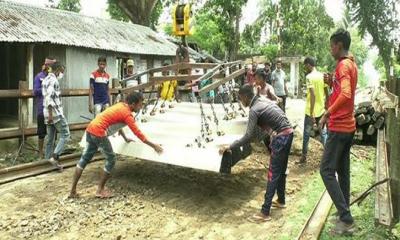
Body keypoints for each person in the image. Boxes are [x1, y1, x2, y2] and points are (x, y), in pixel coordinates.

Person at [219, 84, 293, 223]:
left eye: (240, 99)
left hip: (281, 136)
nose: (241, 102)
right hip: (288, 132)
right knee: (281, 170)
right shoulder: (262, 100)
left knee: (273, 173)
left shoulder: (254, 109)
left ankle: (265, 212)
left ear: (246, 96)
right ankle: (281, 200)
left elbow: (248, 136)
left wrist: (231, 146)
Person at [69, 92, 163, 198]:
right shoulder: (127, 115)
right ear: (133, 104)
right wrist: (154, 145)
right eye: (140, 104)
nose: (141, 107)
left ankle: (72, 191)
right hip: (99, 132)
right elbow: (138, 134)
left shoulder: (121, 106)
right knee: (111, 159)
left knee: (85, 159)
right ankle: (100, 190)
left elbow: (117, 123)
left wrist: (125, 138)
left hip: (91, 129)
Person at [319, 28, 358, 235]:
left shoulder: (343, 66)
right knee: (342, 172)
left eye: (332, 45)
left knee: (325, 171)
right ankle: (345, 212)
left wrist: (327, 113)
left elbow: (345, 93)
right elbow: (339, 91)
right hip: (348, 126)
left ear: (339, 45)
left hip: (339, 126)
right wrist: (329, 83)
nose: (330, 49)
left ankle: (346, 218)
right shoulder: (349, 64)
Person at [298, 57, 329, 164]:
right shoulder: (322, 76)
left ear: (308, 64)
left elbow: (313, 95)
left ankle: (303, 157)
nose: (305, 68)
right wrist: (327, 106)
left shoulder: (309, 77)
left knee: (306, 134)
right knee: (323, 133)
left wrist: (311, 113)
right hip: (321, 110)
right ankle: (328, 157)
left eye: (305, 65)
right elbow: (327, 92)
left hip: (310, 111)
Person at [42, 61, 70, 170]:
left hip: (48, 113)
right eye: (62, 72)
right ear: (57, 70)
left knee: (50, 138)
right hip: (55, 113)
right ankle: (55, 157)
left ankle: (48, 160)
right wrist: (50, 115)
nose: (62, 74)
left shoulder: (45, 79)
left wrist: (48, 115)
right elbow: (49, 98)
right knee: (66, 134)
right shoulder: (53, 81)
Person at [33, 57, 56, 159]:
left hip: (53, 108)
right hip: (42, 108)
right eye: (49, 65)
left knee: (53, 131)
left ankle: (51, 152)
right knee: (41, 132)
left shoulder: (54, 77)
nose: (50, 67)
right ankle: (40, 153)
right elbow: (36, 91)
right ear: (46, 66)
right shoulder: (39, 77)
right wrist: (46, 86)